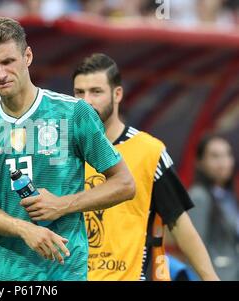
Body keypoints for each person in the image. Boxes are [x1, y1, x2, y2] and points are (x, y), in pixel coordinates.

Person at [0, 17, 135, 281]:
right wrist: (25, 229)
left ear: (27, 56)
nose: (1, 74)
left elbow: (124, 183)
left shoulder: (73, 114)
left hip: (62, 273)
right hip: (1, 275)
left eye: (8, 62)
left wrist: (62, 205)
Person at [70, 53, 218, 281]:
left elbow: (179, 223)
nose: (86, 101)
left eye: (96, 92)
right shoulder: (61, 152)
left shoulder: (149, 151)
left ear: (117, 94)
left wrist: (211, 278)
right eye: (80, 92)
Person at [188, 134, 238, 281]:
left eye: (227, 155)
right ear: (200, 162)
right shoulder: (199, 196)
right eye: (215, 156)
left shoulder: (227, 196)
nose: (223, 162)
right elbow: (195, 249)